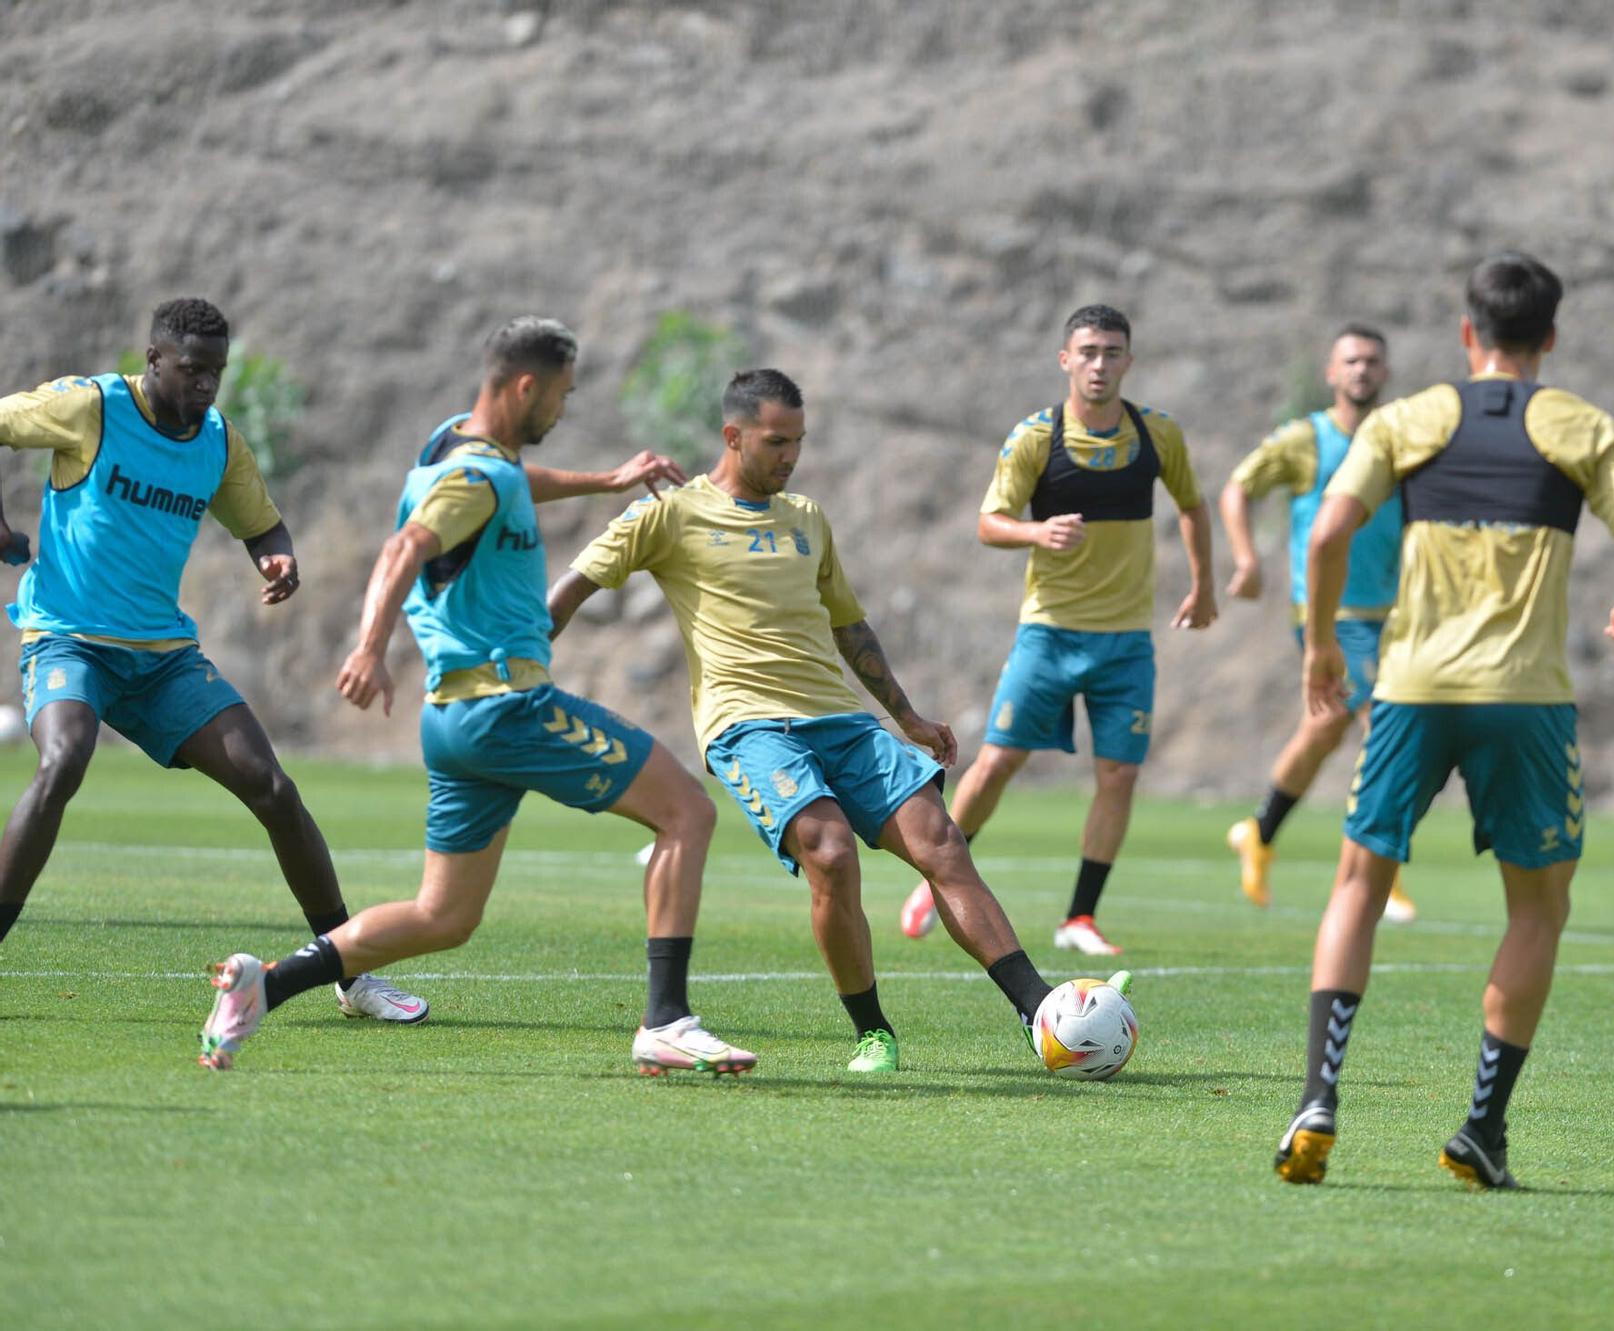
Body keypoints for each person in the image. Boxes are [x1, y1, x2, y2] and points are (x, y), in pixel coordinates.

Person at [197, 315, 753, 1079]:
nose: (563, 409)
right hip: (509, 704)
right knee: (687, 810)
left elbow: (508, 485)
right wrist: (368, 647)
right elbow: (406, 546)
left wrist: (604, 479)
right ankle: (666, 1019)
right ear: (525, 386)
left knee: (444, 916)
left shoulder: (450, 445)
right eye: (560, 395)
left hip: (452, 720)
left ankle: (270, 982)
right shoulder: (475, 476)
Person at [548, 369, 1121, 1073]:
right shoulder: (670, 515)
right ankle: (873, 1031)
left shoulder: (806, 519)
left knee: (942, 841)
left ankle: (1040, 1013)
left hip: (841, 719)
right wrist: (515, 666)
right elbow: (571, 589)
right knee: (830, 851)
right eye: (776, 441)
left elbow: (851, 627)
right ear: (733, 436)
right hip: (747, 725)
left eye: (799, 441)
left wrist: (905, 715)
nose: (790, 455)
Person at [1271, 253, 1614, 1189]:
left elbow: (1328, 533)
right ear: (1551, 339)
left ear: (1468, 335)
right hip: (1525, 699)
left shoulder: (1408, 419)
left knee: (1358, 881)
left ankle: (1317, 1099)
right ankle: (1482, 1127)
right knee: (1538, 905)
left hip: (1412, 689)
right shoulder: (1583, 427)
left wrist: (1320, 647)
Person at [0, 296, 425, 1023]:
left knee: (274, 788)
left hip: (163, 659)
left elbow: (262, 523)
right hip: (69, 637)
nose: (204, 385)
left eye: (216, 372)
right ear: (154, 360)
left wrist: (277, 556)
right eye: (191, 370)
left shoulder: (218, 441)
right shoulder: (92, 406)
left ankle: (347, 970)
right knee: (62, 759)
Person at [900, 304, 1216, 957]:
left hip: (1126, 640)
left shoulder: (1158, 435)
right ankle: (938, 876)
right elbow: (990, 521)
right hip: (1049, 633)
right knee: (995, 763)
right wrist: (1036, 530)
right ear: (1065, 359)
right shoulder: (1036, 438)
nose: (1100, 364)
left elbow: (1192, 504)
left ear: (1129, 360)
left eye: (1112, 352)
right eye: (1089, 351)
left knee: (1120, 776)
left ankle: (1080, 917)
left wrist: (1204, 584)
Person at [1218, 325, 1417, 921]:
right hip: (1330, 614)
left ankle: (1259, 832)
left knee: (1325, 731)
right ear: (1331, 373)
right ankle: (1379, 874)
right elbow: (1238, 488)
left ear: (1385, 373)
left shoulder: (1401, 440)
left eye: (1372, 362)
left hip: (1395, 612)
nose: (1362, 370)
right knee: (1386, 723)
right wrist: (1247, 558)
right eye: (1351, 361)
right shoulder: (1305, 440)